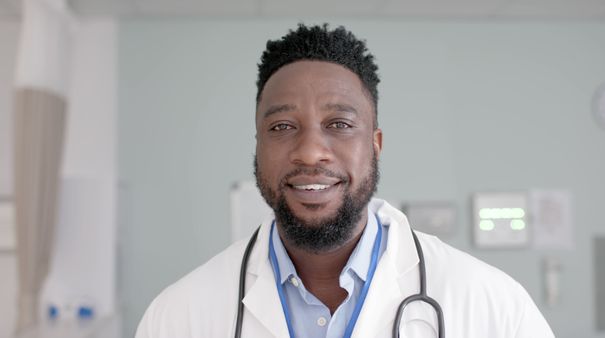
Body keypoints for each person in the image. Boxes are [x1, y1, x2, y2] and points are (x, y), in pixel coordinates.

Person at [135, 24, 555, 338]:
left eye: (338, 123)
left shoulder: (495, 308)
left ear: (375, 145)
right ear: (258, 146)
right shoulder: (176, 317)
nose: (310, 151)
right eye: (282, 126)